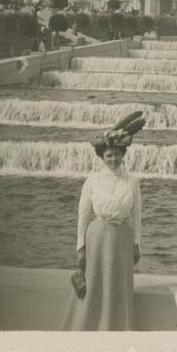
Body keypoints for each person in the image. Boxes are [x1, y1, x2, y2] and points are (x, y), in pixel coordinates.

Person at [61, 112, 146, 331]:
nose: (113, 159)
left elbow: (136, 215)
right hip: (96, 237)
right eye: (109, 155)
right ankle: (88, 329)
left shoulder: (132, 182)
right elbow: (83, 214)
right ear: (102, 156)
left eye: (117, 154)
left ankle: (115, 330)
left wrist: (137, 243)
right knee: (94, 284)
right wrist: (80, 246)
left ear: (123, 154)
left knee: (118, 286)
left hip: (121, 237)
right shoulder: (92, 181)